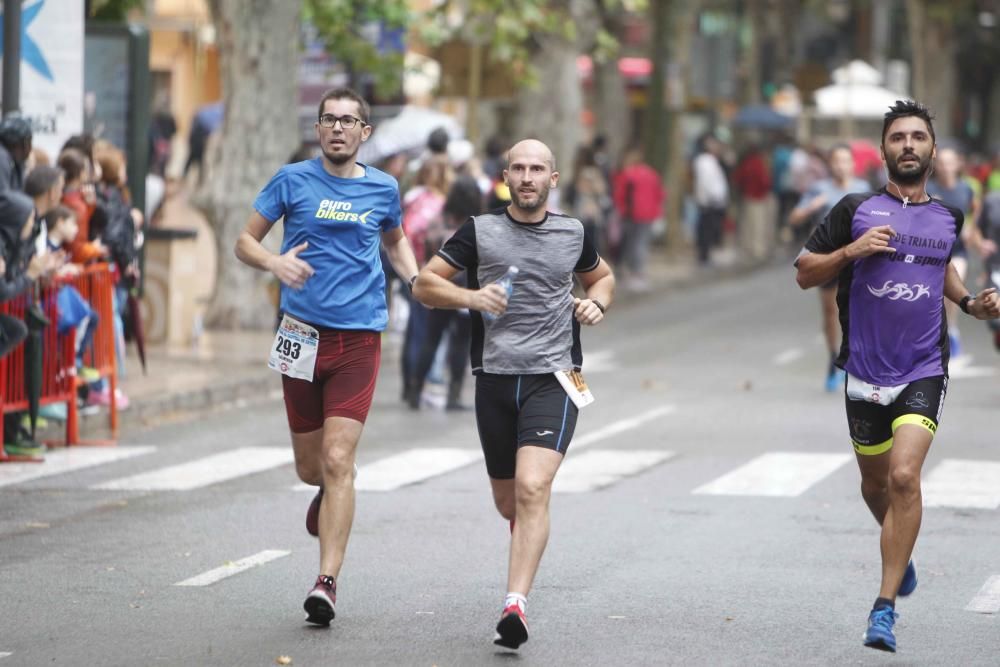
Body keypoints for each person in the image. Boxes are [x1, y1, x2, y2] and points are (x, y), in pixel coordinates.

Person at [794, 100, 1000, 653]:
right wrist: (852, 250)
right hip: (864, 368)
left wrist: (971, 303)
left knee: (905, 478)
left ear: (932, 149)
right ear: (883, 150)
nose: (907, 145)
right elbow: (804, 272)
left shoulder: (948, 215)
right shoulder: (854, 208)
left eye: (917, 137)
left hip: (923, 367)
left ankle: (883, 608)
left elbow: (944, 267)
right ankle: (899, 548)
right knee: (875, 484)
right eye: (897, 138)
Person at [412, 139, 615, 650]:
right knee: (509, 503)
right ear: (505, 176)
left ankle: (515, 605)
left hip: (556, 377)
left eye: (537, 169)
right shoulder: (481, 231)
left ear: (553, 177)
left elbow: (603, 277)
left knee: (531, 488)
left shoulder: (573, 232)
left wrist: (597, 303)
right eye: (518, 169)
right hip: (496, 379)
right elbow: (424, 285)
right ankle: (525, 544)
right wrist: (471, 296)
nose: (527, 177)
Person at [234, 87, 420, 626]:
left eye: (348, 121)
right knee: (309, 466)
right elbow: (245, 242)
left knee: (340, 460)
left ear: (365, 133)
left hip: (359, 337)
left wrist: (414, 277)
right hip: (299, 335)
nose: (338, 128)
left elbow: (395, 240)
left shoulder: (385, 187)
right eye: (328, 119)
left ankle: (327, 581)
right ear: (318, 129)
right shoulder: (292, 180)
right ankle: (323, 489)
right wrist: (274, 263)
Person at [788, 144, 870, 391]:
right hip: (827, 258)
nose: (840, 165)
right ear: (830, 164)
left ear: (852, 165)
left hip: (857, 258)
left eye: (845, 161)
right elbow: (794, 218)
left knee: (858, 310)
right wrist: (812, 207)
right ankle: (833, 358)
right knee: (830, 312)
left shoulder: (863, 189)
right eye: (836, 161)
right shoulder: (819, 189)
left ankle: (854, 355)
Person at [406, 175, 481, 410]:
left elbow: (426, 245)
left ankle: (415, 390)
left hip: (437, 286)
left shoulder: (439, 219)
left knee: (431, 338)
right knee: (460, 342)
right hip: (465, 289)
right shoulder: (477, 225)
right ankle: (454, 395)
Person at [926, 146, 979, 357]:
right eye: (942, 163)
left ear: (958, 165)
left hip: (958, 250)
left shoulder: (966, 188)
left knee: (952, 292)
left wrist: (970, 229)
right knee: (934, 296)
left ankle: (951, 331)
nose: (946, 167)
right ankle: (939, 333)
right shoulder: (928, 188)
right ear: (936, 166)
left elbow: (975, 209)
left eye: (950, 162)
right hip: (933, 251)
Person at [613, 148, 665, 290]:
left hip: (632, 214)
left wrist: (621, 210)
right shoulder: (651, 173)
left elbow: (620, 194)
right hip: (649, 214)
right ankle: (639, 272)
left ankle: (634, 273)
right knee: (642, 243)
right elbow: (660, 194)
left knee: (632, 244)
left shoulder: (628, 174)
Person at [692, 133, 730, 265]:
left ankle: (706, 255)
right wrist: (713, 197)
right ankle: (703, 256)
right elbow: (706, 182)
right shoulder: (704, 161)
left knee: (708, 230)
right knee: (705, 230)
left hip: (713, 202)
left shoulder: (711, 161)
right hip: (709, 202)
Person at [0, 115, 33, 192]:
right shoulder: (2, 157)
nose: (30, 148)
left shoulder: (15, 161)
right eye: (29, 142)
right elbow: (2, 196)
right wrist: (31, 203)